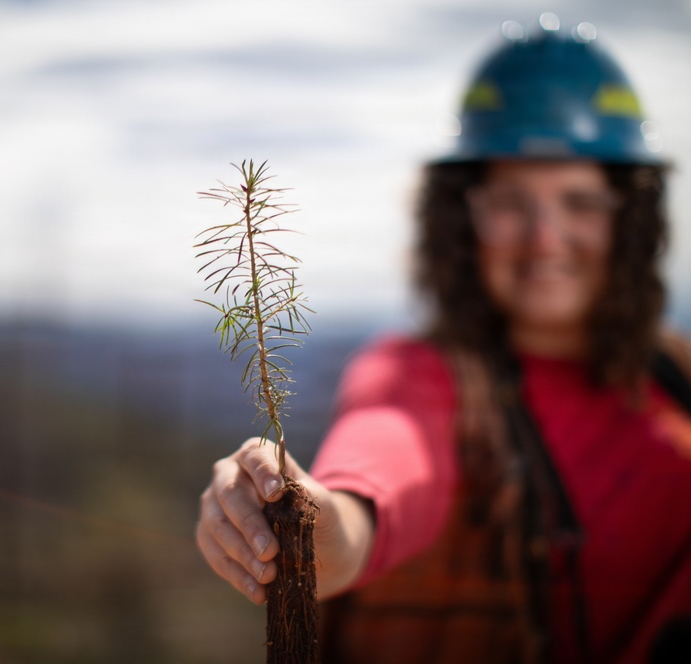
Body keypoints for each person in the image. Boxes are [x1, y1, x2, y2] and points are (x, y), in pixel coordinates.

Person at [195, 16, 691, 664]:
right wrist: (321, 529)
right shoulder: (421, 376)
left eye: (580, 201)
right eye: (509, 201)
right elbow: (386, 461)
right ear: (461, 220)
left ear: (631, 218)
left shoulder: (673, 374)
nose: (545, 236)